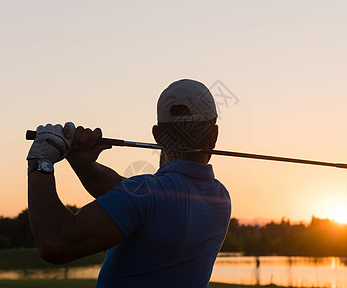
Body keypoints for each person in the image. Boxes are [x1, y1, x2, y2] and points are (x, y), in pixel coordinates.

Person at [27, 79, 231, 288]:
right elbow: (125, 195)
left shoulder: (145, 196)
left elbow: (55, 243)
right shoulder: (220, 198)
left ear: (157, 135)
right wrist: (83, 165)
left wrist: (40, 161)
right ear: (214, 135)